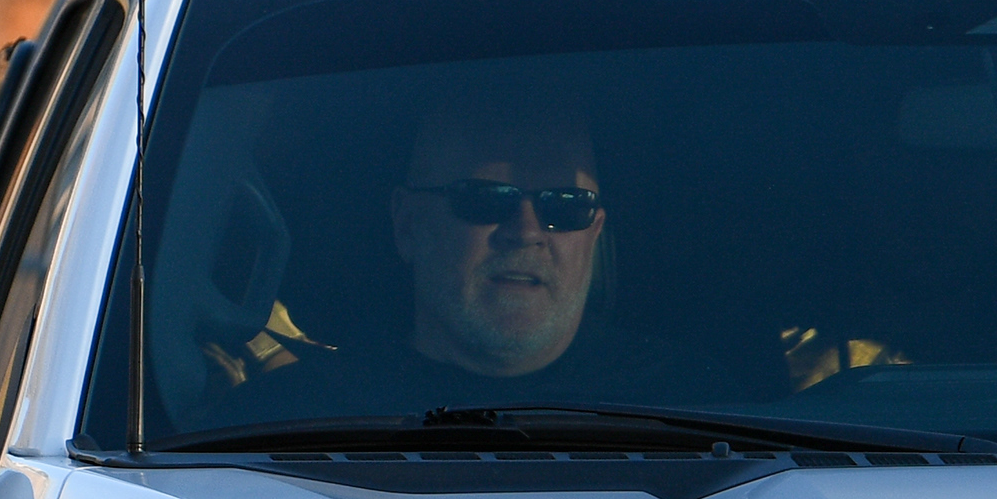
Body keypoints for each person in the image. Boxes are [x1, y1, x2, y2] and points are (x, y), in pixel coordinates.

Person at [194, 88, 673, 411]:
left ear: (594, 230)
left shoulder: (696, 412)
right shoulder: (283, 423)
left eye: (565, 206)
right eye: (486, 199)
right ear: (407, 224)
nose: (526, 231)